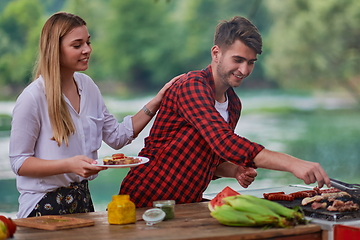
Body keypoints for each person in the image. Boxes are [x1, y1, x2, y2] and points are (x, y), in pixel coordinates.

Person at [119, 16, 331, 207]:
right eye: (237, 60)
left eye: (250, 63)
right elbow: (224, 142)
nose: (244, 70)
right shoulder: (191, 86)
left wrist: (234, 170)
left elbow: (208, 157)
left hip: (184, 205)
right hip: (144, 201)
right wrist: (293, 164)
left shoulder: (234, 105)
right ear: (216, 53)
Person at [9, 12, 181, 218]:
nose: (87, 50)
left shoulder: (88, 86)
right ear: (55, 49)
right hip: (43, 206)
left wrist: (159, 100)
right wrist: (68, 165)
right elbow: (19, 162)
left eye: (88, 42)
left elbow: (118, 137)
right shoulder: (32, 97)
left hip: (83, 201)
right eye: (77, 45)